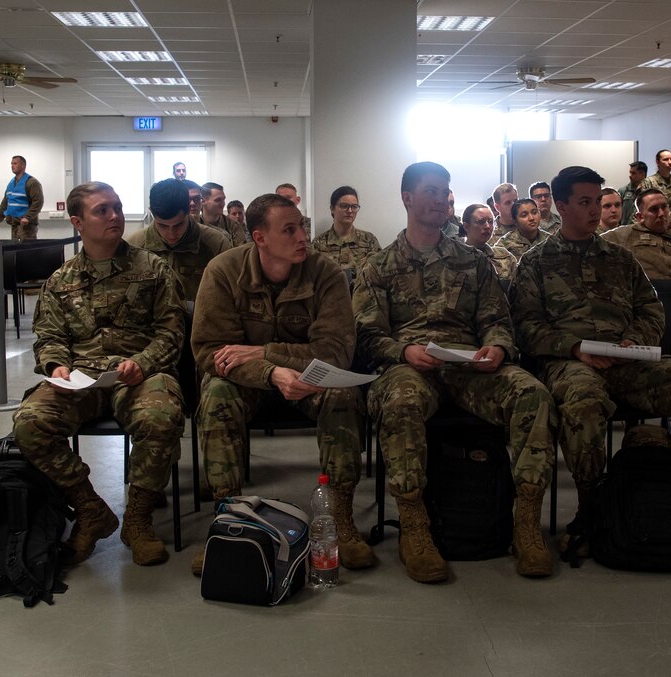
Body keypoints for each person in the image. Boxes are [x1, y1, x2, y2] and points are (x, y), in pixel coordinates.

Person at [511, 166, 671, 562]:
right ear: (561, 206)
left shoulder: (621, 259)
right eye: (585, 202)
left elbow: (652, 309)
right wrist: (575, 346)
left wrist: (637, 339)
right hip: (572, 362)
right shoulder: (535, 263)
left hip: (628, 359)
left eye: (598, 201)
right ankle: (592, 509)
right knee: (583, 402)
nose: (595, 210)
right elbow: (527, 328)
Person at [353, 161, 557, 583]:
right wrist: (403, 349)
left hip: (468, 364)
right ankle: (415, 528)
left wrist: (498, 347)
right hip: (406, 367)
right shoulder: (379, 266)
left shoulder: (473, 261)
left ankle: (526, 524)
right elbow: (367, 337)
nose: (440, 199)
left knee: (532, 394)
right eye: (429, 191)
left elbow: (497, 319)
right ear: (407, 197)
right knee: (402, 401)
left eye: (445, 191)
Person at [192, 193, 370, 575]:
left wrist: (263, 353)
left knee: (342, 393)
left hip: (309, 382)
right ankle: (228, 521)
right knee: (216, 394)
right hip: (249, 385)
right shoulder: (224, 271)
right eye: (289, 230)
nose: (302, 236)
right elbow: (211, 352)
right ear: (260, 237)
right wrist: (271, 372)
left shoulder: (326, 273)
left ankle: (341, 519)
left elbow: (336, 351)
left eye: (302, 227)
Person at [11, 181, 186, 567]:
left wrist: (142, 362)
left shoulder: (152, 268)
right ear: (78, 222)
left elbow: (171, 330)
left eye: (118, 207)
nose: (114, 216)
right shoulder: (61, 280)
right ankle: (90, 509)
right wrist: (56, 366)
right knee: (29, 422)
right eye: (102, 210)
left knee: (160, 416)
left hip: (140, 372)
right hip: (82, 378)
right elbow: (50, 337)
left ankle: (137, 520)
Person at [126, 178, 231, 302]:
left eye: (178, 225)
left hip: (199, 319)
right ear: (152, 212)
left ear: (189, 209)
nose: (171, 234)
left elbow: (230, 295)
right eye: (163, 226)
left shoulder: (216, 244)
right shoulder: (134, 246)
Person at [311, 185, 381, 278]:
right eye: (344, 206)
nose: (350, 211)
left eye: (354, 206)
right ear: (332, 208)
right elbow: (311, 278)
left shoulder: (369, 241)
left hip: (361, 292)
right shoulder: (318, 244)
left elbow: (380, 274)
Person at [0, 155, 44, 240]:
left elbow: (38, 202)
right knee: (15, 250)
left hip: (27, 226)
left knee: (26, 251)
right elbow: (5, 202)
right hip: (14, 224)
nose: (12, 166)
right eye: (11, 164)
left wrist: (27, 217)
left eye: (15, 163)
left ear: (23, 165)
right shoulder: (11, 183)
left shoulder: (31, 182)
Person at [462, 203, 517, 281]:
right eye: (481, 221)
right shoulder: (456, 257)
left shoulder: (504, 256)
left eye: (491, 222)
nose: (487, 226)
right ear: (466, 226)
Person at [201, 181, 249, 246]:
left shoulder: (233, 226)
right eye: (218, 200)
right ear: (203, 201)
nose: (223, 204)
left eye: (223, 199)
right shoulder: (195, 224)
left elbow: (241, 251)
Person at [618, 161, 648, 226]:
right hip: (624, 230)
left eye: (633, 173)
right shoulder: (623, 190)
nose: (630, 176)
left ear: (642, 174)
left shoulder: (649, 193)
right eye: (630, 173)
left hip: (643, 229)